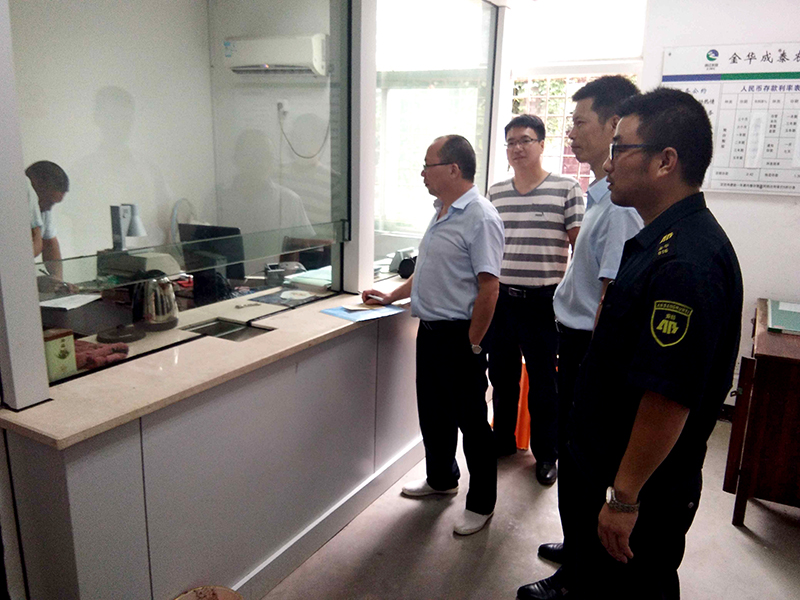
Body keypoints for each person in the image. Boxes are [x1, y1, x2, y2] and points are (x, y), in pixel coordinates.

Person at [518, 88, 743, 600]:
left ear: (665, 161)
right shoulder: (658, 239)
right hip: (619, 462)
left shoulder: (686, 262)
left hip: (648, 487)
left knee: (635, 586)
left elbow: (666, 398)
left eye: (621, 149)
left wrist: (623, 498)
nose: (608, 162)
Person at [362, 135, 504, 536]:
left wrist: (474, 342)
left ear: (453, 169)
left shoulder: (480, 216)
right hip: (430, 332)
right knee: (434, 412)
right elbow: (427, 268)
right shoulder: (441, 211)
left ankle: (481, 504)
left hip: (461, 335)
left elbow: (490, 287)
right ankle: (441, 479)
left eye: (429, 165)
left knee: (472, 422)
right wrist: (392, 295)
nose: (422, 173)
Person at [536, 76, 643, 568]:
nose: (571, 133)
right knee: (574, 454)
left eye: (580, 122)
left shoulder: (619, 210)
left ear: (614, 125)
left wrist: (593, 372)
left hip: (589, 349)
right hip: (576, 342)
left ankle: (577, 574)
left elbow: (610, 298)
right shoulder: (600, 198)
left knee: (581, 461)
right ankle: (577, 545)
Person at [487, 114, 584, 486]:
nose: (517, 148)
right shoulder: (496, 193)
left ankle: (547, 455)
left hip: (544, 303)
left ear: (542, 144)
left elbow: (580, 249)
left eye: (525, 140)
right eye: (511, 142)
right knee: (502, 377)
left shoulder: (566, 189)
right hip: (502, 300)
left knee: (544, 384)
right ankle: (503, 440)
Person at [27, 160, 69, 280]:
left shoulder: (44, 208)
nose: (48, 209)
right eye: (48, 202)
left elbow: (50, 243)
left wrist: (58, 281)